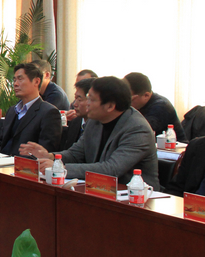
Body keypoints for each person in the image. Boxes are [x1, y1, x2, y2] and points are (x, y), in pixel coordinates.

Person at [20, 76, 159, 189]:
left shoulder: (138, 129)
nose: (87, 103)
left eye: (92, 99)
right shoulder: (95, 121)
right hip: (99, 189)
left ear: (110, 106)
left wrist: (60, 168)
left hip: (137, 197)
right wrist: (51, 157)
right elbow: (76, 154)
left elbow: (111, 169)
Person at [0, 62, 62, 156]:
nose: (15, 84)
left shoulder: (49, 112)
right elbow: (0, 142)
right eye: (14, 80)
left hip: (24, 163)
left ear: (36, 81)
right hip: (1, 161)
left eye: (20, 79)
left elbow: (45, 152)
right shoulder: (12, 111)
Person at [123, 72, 186, 142]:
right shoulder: (140, 105)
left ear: (146, 95)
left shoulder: (161, 106)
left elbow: (140, 131)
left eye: (129, 98)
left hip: (175, 147)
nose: (125, 101)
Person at [61, 78, 95, 150]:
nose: (75, 104)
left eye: (79, 100)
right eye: (75, 99)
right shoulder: (74, 121)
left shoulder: (99, 127)